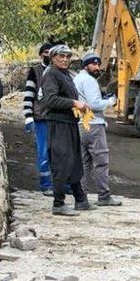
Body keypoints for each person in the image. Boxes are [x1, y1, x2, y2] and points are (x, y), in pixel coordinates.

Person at [39, 44, 90, 216]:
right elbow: (50, 100)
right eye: (61, 56)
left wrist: (79, 108)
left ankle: (80, 200)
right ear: (53, 58)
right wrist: (74, 103)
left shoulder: (65, 75)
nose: (65, 59)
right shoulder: (51, 74)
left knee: (75, 162)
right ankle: (58, 203)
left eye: (68, 57)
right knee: (62, 163)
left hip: (69, 123)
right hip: (58, 124)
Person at [73, 52, 122, 206]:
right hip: (93, 125)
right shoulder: (89, 81)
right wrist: (110, 101)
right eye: (93, 64)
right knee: (101, 161)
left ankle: (82, 197)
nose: (97, 67)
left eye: (98, 64)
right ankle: (104, 196)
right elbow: (94, 104)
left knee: (84, 163)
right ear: (85, 65)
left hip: (80, 124)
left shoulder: (76, 79)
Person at [24, 42, 53, 195]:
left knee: (59, 153)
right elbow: (29, 94)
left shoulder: (58, 71)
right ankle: (46, 185)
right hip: (41, 118)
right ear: (41, 54)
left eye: (51, 52)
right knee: (43, 153)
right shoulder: (35, 71)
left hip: (56, 118)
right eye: (46, 52)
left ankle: (61, 184)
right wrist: (28, 116)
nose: (48, 55)